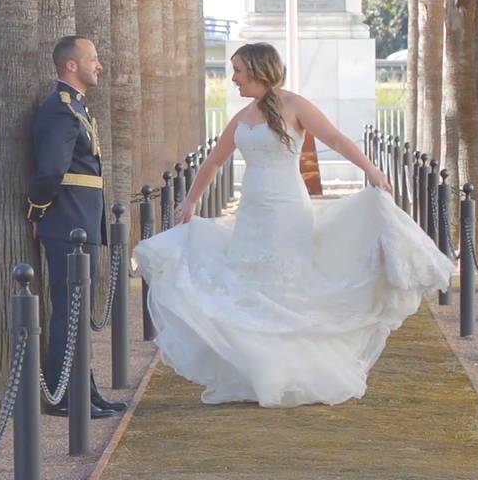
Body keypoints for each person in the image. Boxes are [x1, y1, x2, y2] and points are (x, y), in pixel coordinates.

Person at [133, 43, 454, 408]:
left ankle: (296, 372)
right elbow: (213, 162)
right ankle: (259, 373)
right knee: (251, 284)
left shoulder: (295, 105)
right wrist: (191, 200)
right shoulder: (240, 117)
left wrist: (371, 170)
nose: (233, 78)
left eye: (238, 70)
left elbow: (334, 138)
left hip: (287, 209)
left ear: (257, 70)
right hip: (252, 211)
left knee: (287, 284)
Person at [27, 36, 127, 418]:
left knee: (78, 309)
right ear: (71, 65)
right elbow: (50, 171)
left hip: (80, 222)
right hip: (67, 223)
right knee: (68, 309)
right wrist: (38, 212)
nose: (99, 65)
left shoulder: (78, 108)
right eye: (93, 59)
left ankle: (84, 388)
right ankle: (66, 395)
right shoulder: (59, 111)